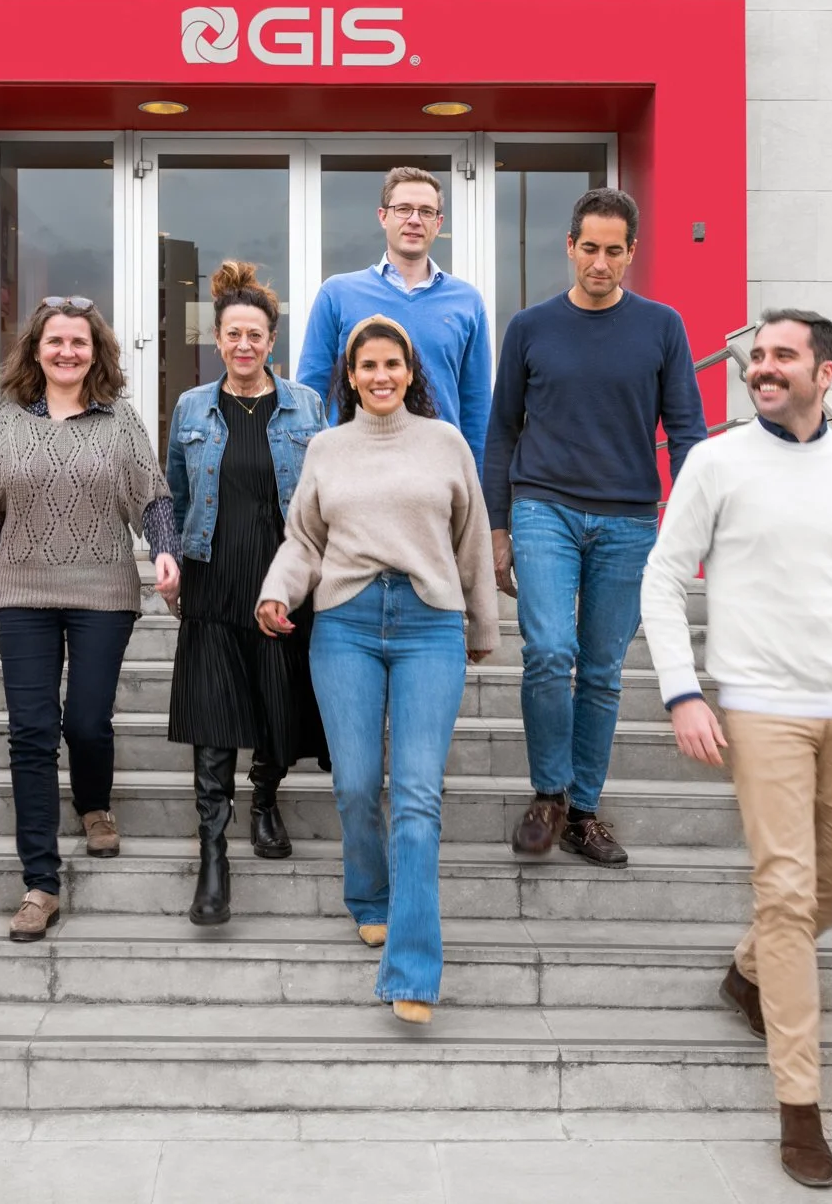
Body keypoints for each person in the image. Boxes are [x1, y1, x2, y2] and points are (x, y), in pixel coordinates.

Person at [641, 309, 832, 1189]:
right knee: (788, 888)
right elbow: (662, 576)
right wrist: (683, 690)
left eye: (780, 357)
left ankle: (746, 970)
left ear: (825, 373)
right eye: (755, 357)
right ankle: (801, 1108)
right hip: (759, 709)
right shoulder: (717, 461)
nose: (760, 369)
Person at [259, 316, 498, 1025]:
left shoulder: (445, 442)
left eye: (394, 364)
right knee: (358, 782)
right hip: (347, 625)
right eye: (368, 366)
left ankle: (414, 972)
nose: (382, 376)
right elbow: (304, 537)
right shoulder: (327, 448)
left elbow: (472, 537)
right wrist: (278, 591)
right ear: (351, 375)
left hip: (429, 624)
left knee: (418, 796)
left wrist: (481, 624)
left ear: (410, 371)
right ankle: (368, 895)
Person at [484, 187, 707, 870]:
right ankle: (548, 793)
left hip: (629, 518)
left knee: (604, 670)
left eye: (615, 251)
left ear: (631, 253)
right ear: (571, 247)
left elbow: (690, 433)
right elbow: (501, 432)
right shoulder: (530, 327)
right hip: (543, 506)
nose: (601, 262)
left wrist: (692, 530)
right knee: (550, 650)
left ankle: (583, 811)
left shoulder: (662, 327)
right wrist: (498, 527)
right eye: (590, 248)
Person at [0, 297, 180, 945]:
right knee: (31, 731)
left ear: (96, 352)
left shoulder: (121, 422)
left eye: (79, 342)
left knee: (85, 719)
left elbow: (153, 498)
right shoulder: (4, 423)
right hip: (22, 591)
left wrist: (165, 551)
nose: (66, 352)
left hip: (103, 592)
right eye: (55, 341)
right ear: (35, 349)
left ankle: (94, 803)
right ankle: (41, 882)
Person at [166, 261, 328, 925]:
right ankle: (212, 856)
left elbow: (319, 500)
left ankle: (263, 802)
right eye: (232, 333)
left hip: (281, 572)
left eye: (254, 334)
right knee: (212, 712)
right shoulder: (190, 408)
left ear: (271, 341)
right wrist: (171, 559)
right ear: (217, 338)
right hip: (213, 573)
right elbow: (175, 496)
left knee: (275, 700)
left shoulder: (306, 406)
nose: (243, 345)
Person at [296, 166, 492, 470]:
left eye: (426, 211)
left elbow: (476, 409)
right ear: (383, 216)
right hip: (352, 471)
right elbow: (309, 398)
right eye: (403, 209)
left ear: (438, 223)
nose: (414, 219)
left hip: (438, 472)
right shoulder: (337, 294)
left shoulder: (467, 302)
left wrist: (479, 492)